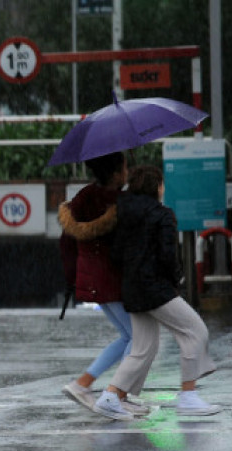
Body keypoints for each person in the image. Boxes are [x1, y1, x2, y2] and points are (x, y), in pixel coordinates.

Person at [92, 165, 220, 420]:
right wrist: (176, 281)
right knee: (195, 331)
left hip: (132, 289)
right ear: (157, 187)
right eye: (162, 184)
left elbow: (115, 254)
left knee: (143, 347)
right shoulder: (163, 215)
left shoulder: (121, 214)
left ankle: (111, 396)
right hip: (156, 289)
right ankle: (188, 395)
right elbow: (167, 256)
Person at [57, 152, 147, 416]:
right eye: (125, 166)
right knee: (139, 338)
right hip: (112, 278)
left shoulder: (83, 197)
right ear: (116, 172)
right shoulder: (120, 202)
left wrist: (73, 277)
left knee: (128, 336)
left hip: (90, 277)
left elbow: (67, 243)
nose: (127, 171)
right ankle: (109, 392)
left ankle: (91, 385)